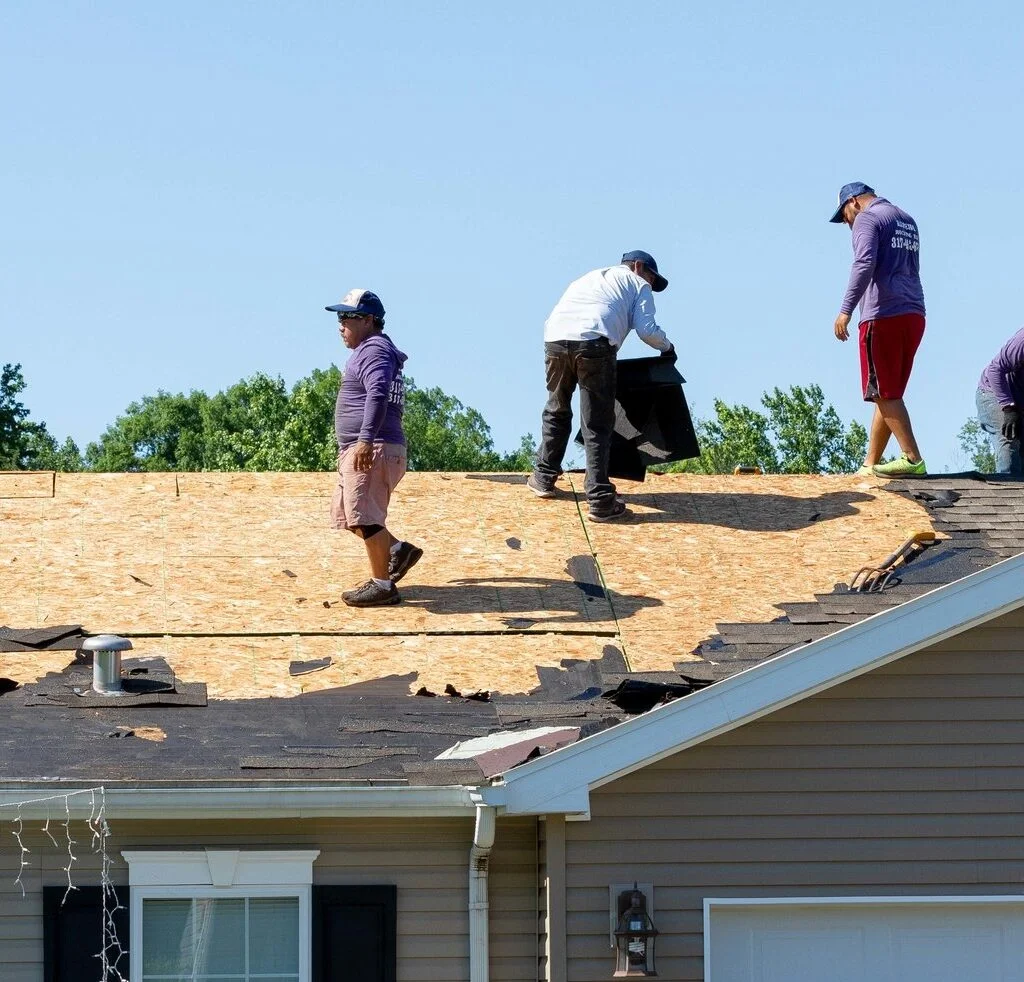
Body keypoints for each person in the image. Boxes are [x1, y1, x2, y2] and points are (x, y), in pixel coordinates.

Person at [528, 250, 676, 522]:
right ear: (638, 266)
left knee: (557, 407)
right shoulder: (637, 283)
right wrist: (667, 348)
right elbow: (647, 330)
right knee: (597, 422)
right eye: (652, 280)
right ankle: (599, 500)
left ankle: (543, 476)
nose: (651, 287)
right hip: (594, 343)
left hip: (555, 340)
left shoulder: (589, 278)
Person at [325, 288, 422, 607]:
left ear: (368, 320)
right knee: (349, 515)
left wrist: (365, 439)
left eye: (346, 318)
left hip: (373, 447)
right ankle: (397, 550)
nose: (340, 325)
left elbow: (378, 393)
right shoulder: (374, 350)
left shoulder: (374, 350)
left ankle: (383, 585)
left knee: (365, 518)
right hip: (368, 447)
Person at [830, 182, 927, 477]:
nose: (846, 222)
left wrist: (846, 309)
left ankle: (912, 459)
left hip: (882, 313)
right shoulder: (905, 219)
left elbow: (864, 263)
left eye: (844, 214)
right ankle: (870, 464)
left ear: (854, 202)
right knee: (886, 392)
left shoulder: (867, 219)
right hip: (913, 312)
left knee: (884, 392)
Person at [976, 328, 1024, 474]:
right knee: (1009, 439)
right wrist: (1008, 407)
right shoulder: (1022, 341)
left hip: (1020, 399)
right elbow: (995, 370)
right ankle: (1011, 490)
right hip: (996, 395)